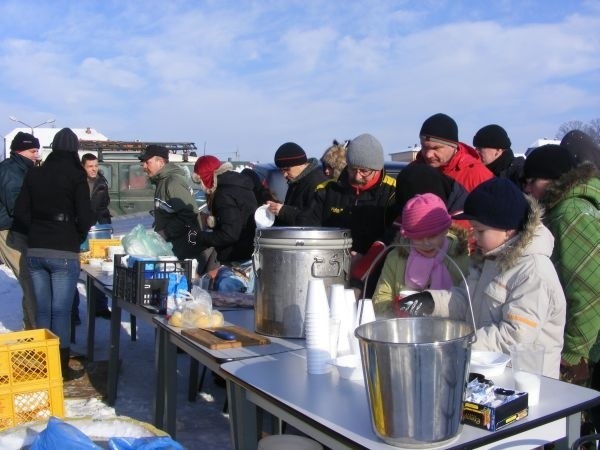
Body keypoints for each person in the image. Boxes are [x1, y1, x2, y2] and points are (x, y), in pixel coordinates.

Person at [395, 178, 566, 378]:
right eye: (473, 228)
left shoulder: (533, 272)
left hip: (526, 380)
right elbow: (467, 299)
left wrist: (460, 343)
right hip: (489, 372)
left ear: (507, 229)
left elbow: (515, 336)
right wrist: (430, 301)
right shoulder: (490, 260)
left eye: (480, 230)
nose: (473, 236)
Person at [13, 128, 94, 381]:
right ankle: (59, 367)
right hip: (63, 251)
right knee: (60, 311)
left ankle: (42, 363)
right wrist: (75, 234)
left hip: (35, 250)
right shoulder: (76, 176)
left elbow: (21, 213)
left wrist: (38, 231)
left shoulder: (34, 174)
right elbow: (87, 215)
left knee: (43, 309)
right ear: (73, 149)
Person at [522, 144, 600, 385]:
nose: (526, 189)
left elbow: (586, 286)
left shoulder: (570, 212)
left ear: (553, 180)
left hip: (590, 343)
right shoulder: (578, 203)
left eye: (531, 181)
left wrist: (574, 353)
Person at [297, 133, 397, 292]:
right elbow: (307, 229)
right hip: (328, 272)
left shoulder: (393, 193)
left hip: (375, 279)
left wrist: (365, 258)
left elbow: (394, 239)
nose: (357, 176)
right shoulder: (327, 190)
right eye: (352, 169)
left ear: (377, 168)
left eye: (364, 171)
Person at [372, 193, 469, 317]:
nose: (426, 243)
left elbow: (469, 302)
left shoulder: (460, 258)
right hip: (406, 330)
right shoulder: (397, 258)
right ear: (408, 236)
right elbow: (380, 297)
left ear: (445, 230)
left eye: (433, 236)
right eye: (418, 238)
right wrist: (393, 310)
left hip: (448, 330)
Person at [188, 155, 257, 276]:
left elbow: (229, 234)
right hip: (249, 251)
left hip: (236, 256)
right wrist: (213, 222)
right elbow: (238, 218)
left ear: (206, 177)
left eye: (201, 181)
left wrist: (201, 237)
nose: (201, 186)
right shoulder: (239, 185)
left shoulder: (223, 194)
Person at [0, 132, 39, 329]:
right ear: (20, 150)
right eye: (33, 151)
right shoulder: (10, 171)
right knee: (29, 279)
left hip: (17, 229)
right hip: (7, 231)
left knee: (31, 279)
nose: (36, 155)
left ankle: (32, 327)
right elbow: (16, 205)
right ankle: (34, 331)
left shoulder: (22, 169)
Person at [72, 153, 112, 323]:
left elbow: (104, 205)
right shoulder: (77, 182)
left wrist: (103, 222)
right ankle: (73, 312)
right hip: (80, 229)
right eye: (90, 166)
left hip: (99, 228)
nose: (94, 169)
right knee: (75, 269)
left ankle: (100, 307)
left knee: (98, 268)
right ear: (83, 166)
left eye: (96, 165)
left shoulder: (102, 182)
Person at [139, 144, 198, 260]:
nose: (144, 166)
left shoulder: (173, 182)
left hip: (181, 249)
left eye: (147, 162)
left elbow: (189, 215)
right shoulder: (161, 182)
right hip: (171, 248)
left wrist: (165, 233)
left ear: (160, 162)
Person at [414, 113, 493, 192]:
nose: (428, 155)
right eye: (424, 147)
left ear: (453, 146)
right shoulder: (414, 171)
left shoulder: (478, 176)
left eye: (436, 148)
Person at [266, 142, 327, 225]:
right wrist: (274, 210)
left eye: (287, 169)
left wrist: (283, 211)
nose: (284, 174)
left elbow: (313, 220)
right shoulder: (295, 181)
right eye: (281, 170)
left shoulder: (317, 183)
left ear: (300, 164)